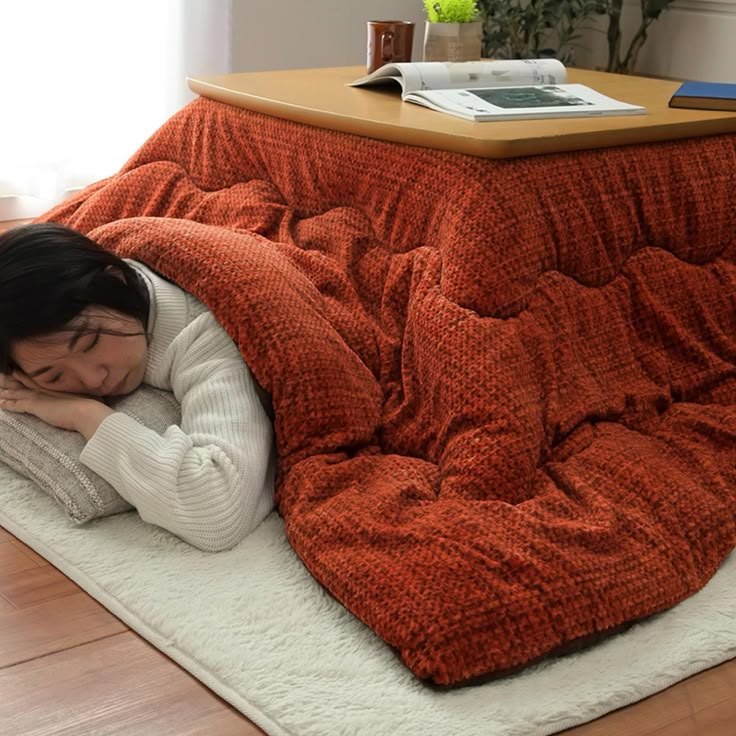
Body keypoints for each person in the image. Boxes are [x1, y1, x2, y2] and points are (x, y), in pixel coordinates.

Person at [0, 223, 275, 552]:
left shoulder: (204, 337)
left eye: (90, 343)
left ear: (116, 283)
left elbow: (217, 513)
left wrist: (84, 414)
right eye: (55, 377)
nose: (92, 380)